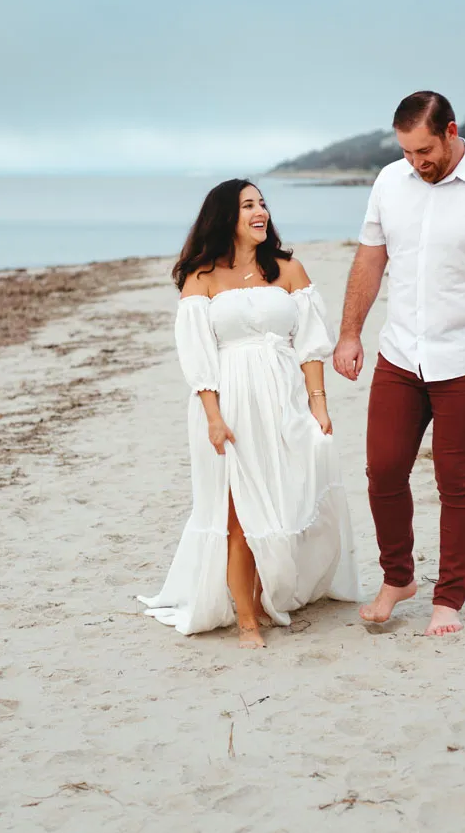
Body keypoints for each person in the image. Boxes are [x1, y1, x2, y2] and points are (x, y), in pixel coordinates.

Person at [333, 91, 465, 638]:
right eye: (406, 152)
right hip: (400, 355)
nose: (416, 163)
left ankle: (448, 600)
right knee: (383, 472)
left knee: (457, 481)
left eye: (424, 150)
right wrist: (350, 332)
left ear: (450, 131)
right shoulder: (388, 183)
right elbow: (370, 260)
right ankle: (398, 578)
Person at [139, 179, 360, 648]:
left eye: (262, 203)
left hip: (284, 400)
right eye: (247, 205)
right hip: (231, 404)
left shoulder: (288, 270)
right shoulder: (202, 277)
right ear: (226, 217)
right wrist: (214, 418)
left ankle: (265, 593)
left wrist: (318, 403)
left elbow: (311, 345)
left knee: (287, 498)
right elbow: (197, 357)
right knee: (238, 514)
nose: (260, 211)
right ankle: (247, 618)